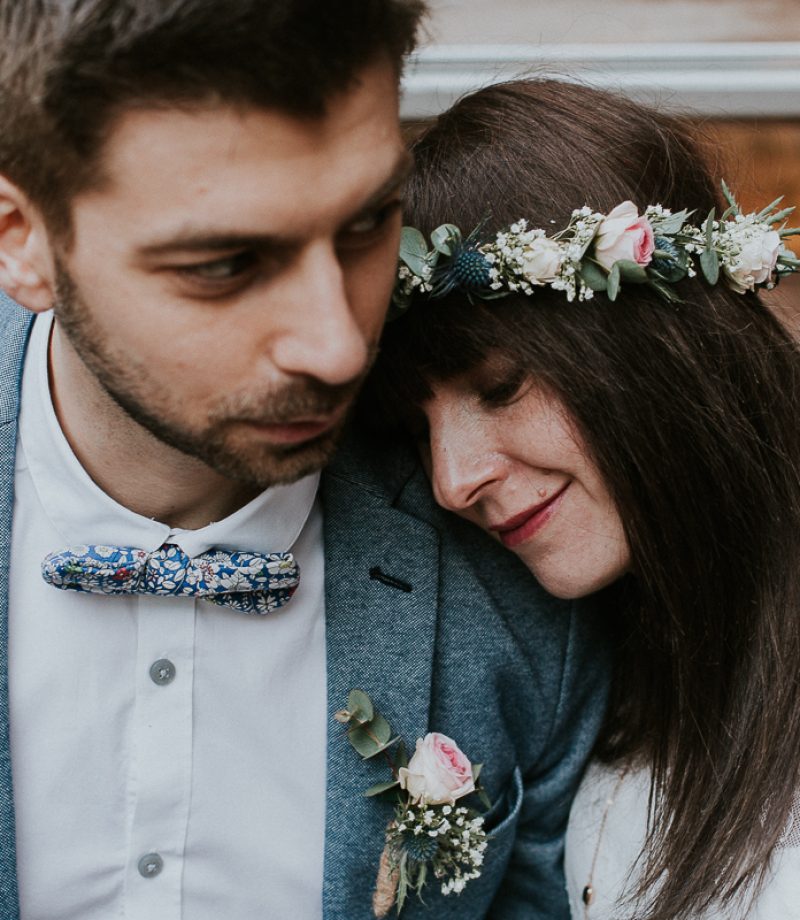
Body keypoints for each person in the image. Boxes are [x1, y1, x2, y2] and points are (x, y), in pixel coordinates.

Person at [0, 4, 608, 919]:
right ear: (24, 242)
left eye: (367, 224)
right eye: (227, 263)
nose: (339, 347)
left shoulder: (522, 581)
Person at [365, 77, 800, 920]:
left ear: (661, 349)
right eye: (419, 431)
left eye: (500, 386)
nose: (454, 482)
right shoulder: (597, 667)